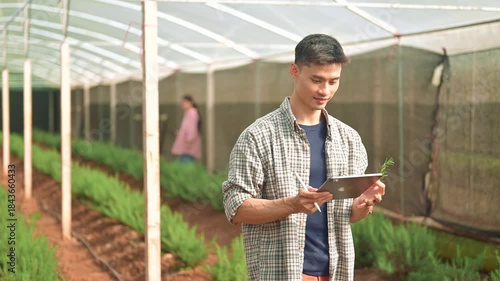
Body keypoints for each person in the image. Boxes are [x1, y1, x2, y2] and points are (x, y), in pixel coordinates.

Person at [222, 34, 385, 281]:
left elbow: (347, 214)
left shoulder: (349, 140)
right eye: (316, 80)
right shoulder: (258, 136)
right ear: (295, 71)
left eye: (333, 81)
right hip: (284, 272)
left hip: (336, 272)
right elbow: (236, 207)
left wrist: (363, 206)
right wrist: (292, 205)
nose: (325, 91)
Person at [171, 95, 202, 162]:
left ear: (191, 103)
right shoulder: (189, 113)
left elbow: (192, 128)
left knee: (186, 161)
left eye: (185, 103)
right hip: (187, 142)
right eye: (182, 103)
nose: (183, 105)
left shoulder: (192, 113)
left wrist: (189, 140)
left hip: (188, 143)